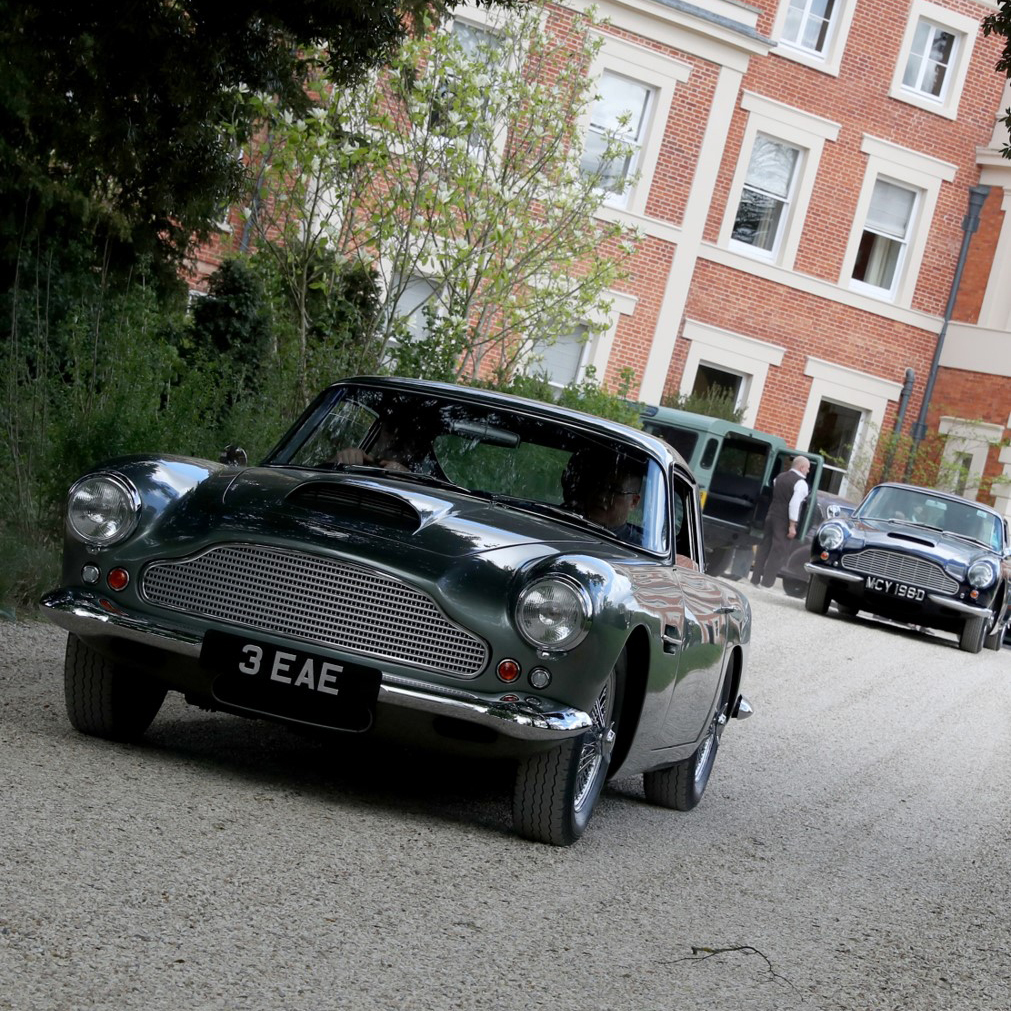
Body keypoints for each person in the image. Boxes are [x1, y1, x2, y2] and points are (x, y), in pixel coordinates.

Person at [750, 454, 811, 590]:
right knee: (778, 551)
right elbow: (794, 504)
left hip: (771, 515)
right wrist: (792, 525)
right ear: (802, 468)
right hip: (784, 519)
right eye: (807, 468)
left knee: (764, 546)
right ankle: (767, 583)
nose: (808, 471)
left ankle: (755, 578)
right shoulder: (801, 483)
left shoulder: (779, 478)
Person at [561, 448, 643, 543]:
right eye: (599, 485)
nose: (601, 496)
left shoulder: (637, 546)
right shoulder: (562, 520)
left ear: (633, 502)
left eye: (614, 491)